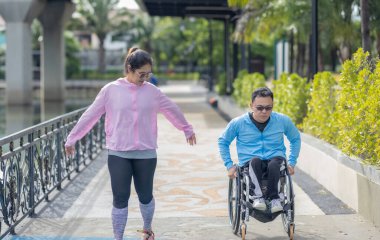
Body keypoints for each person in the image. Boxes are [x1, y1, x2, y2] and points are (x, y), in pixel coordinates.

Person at [64, 47, 196, 240]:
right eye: (141, 74)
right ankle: (118, 237)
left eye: (148, 75)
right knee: (120, 198)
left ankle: (147, 229)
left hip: (146, 153)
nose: (145, 79)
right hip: (119, 152)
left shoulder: (153, 92)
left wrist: (186, 128)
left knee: (145, 196)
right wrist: (72, 137)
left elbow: (171, 109)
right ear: (129, 68)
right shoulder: (111, 90)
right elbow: (91, 115)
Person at [218, 87, 300, 213]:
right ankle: (257, 197)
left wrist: (292, 162)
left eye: (268, 108)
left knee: (275, 163)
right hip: (250, 162)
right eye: (259, 108)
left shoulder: (282, 120)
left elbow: (295, 139)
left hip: (276, 160)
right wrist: (229, 165)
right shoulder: (238, 123)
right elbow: (223, 141)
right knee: (255, 161)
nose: (264, 111)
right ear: (251, 105)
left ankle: (275, 199)